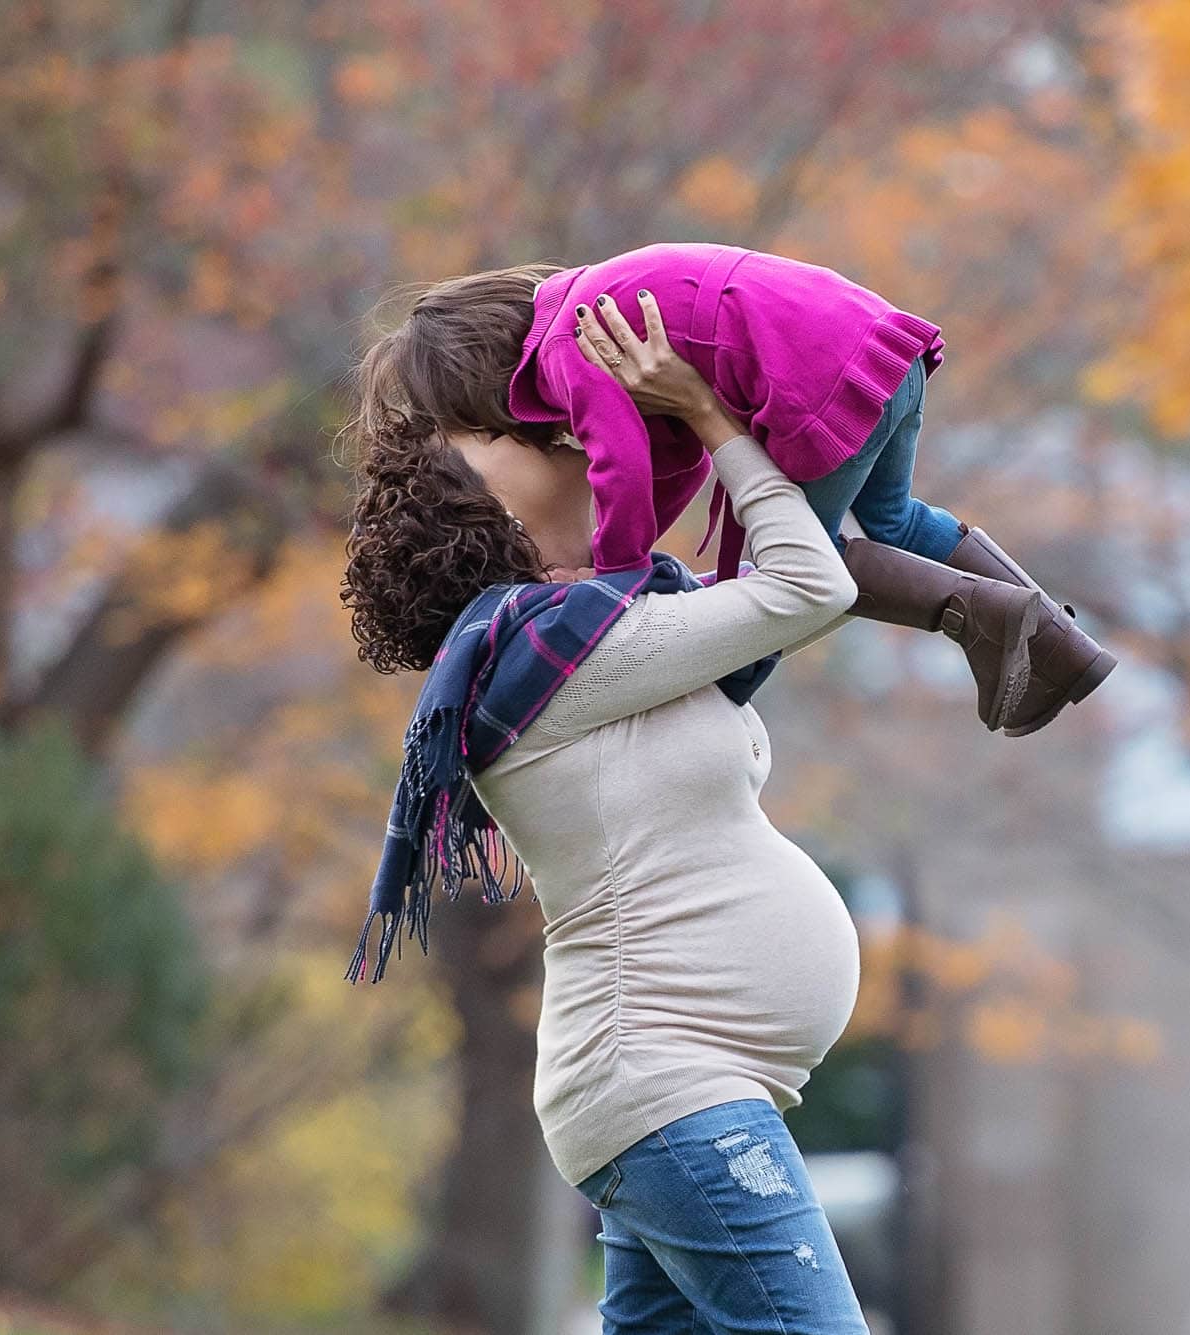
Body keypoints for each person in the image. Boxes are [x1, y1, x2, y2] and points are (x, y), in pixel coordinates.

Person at [337, 302, 1017, 1331]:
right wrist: (706, 414)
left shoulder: (586, 640)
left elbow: (798, 568)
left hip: (665, 1089)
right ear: (497, 522)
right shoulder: (568, 661)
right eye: (534, 442)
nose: (576, 444)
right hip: (669, 1090)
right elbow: (801, 583)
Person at [366, 244, 1115, 737]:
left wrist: (619, 572)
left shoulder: (573, 351)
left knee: (800, 561)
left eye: (475, 425)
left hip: (819, 378)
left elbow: (624, 466)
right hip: (880, 351)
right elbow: (680, 461)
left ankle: (978, 621)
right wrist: (642, 540)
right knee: (891, 517)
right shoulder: (590, 317)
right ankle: (1061, 641)